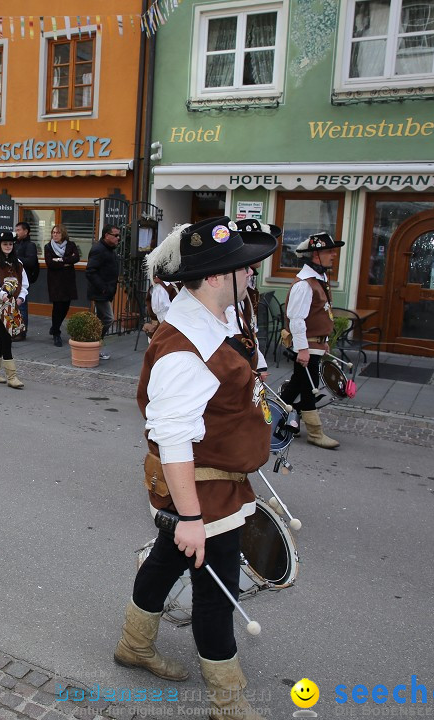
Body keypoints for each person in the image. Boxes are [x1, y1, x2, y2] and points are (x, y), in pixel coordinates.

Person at [114, 217, 276, 720]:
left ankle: (133, 645)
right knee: (216, 593)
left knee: (167, 561)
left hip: (214, 479)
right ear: (213, 278)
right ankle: (228, 702)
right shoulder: (184, 348)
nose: (251, 274)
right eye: (242, 268)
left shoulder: (216, 319)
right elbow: (173, 438)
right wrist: (189, 518)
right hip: (201, 489)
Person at [280, 231, 345, 450]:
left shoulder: (318, 279)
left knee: (298, 385)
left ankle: (280, 419)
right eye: (329, 251)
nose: (333, 255)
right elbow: (296, 319)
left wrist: (323, 340)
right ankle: (315, 433)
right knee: (309, 387)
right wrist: (303, 350)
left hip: (313, 343)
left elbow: (319, 314)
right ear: (316, 255)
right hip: (306, 345)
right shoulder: (305, 284)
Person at [0, 231, 28, 389]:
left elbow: (24, 284)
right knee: (6, 338)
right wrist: (3, 296)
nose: (8, 246)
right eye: (5, 244)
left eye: (10, 244)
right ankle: (12, 376)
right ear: (0, 246)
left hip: (12, 308)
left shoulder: (18, 264)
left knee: (3, 339)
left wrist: (21, 297)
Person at [86, 224, 121, 360]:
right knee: (108, 318)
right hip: (100, 292)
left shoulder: (109, 249)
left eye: (119, 235)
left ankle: (94, 346)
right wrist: (104, 288)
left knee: (100, 320)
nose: (118, 238)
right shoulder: (99, 249)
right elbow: (90, 271)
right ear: (107, 235)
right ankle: (93, 342)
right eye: (116, 235)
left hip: (105, 291)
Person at [44, 224, 81, 346]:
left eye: (58, 233)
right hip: (55, 281)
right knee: (57, 306)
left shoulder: (71, 245)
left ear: (63, 234)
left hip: (68, 281)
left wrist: (60, 260)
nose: (55, 235)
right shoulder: (48, 247)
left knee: (66, 306)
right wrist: (65, 261)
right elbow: (50, 263)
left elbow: (76, 258)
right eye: (53, 233)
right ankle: (56, 333)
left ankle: (55, 327)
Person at [14, 222, 40, 334]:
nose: (17, 232)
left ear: (26, 231)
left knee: (22, 305)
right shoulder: (14, 244)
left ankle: (22, 331)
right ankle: (15, 329)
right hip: (12, 279)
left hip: (23, 279)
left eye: (19, 230)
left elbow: (30, 262)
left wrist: (15, 258)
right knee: (14, 305)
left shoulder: (30, 245)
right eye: (16, 230)